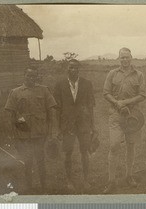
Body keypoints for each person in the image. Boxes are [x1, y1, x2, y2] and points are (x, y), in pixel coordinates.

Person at [5, 68, 57, 194]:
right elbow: (9, 114)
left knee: (41, 160)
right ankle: (30, 189)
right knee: (27, 161)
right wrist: (11, 134)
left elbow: (51, 110)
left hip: (40, 133)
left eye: (34, 76)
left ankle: (44, 188)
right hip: (24, 134)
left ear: (37, 77)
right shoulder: (15, 92)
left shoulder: (44, 90)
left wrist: (52, 132)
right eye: (28, 76)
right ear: (24, 75)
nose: (31, 78)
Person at [103, 47, 146, 194]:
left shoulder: (138, 74)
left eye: (127, 57)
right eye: (122, 57)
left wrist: (126, 102)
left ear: (131, 58)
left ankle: (129, 176)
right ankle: (111, 181)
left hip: (133, 116)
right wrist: (117, 103)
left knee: (131, 145)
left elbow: (142, 95)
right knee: (114, 145)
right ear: (119, 58)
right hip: (116, 114)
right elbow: (106, 92)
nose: (125, 60)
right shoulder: (112, 73)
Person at [53, 59, 96, 192]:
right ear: (67, 69)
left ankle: (86, 180)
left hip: (83, 124)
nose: (73, 70)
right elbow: (57, 108)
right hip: (67, 125)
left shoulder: (87, 84)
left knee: (85, 152)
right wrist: (58, 128)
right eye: (71, 67)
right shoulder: (59, 85)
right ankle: (69, 181)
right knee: (68, 153)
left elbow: (90, 107)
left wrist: (93, 127)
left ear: (79, 69)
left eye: (76, 68)